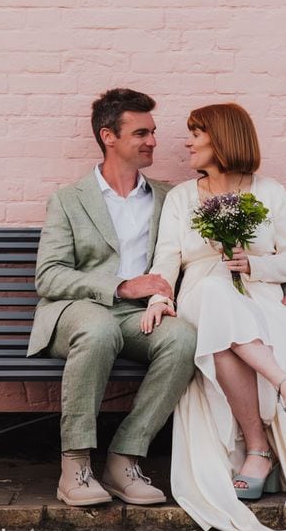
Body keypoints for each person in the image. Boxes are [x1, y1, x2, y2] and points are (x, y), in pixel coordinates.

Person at [141, 102, 286, 531]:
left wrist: (254, 266)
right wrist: (158, 297)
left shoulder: (270, 191)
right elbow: (167, 258)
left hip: (258, 299)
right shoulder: (182, 197)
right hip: (202, 293)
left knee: (225, 318)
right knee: (216, 290)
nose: (187, 142)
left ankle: (258, 449)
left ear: (222, 139)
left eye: (196, 134)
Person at [26, 88, 195, 507]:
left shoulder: (168, 197)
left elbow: (215, 247)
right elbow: (48, 276)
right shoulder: (68, 200)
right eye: (141, 133)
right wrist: (119, 287)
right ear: (108, 136)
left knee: (183, 338)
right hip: (77, 313)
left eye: (153, 132)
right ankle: (75, 465)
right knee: (99, 330)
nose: (153, 141)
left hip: (139, 316)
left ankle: (124, 459)